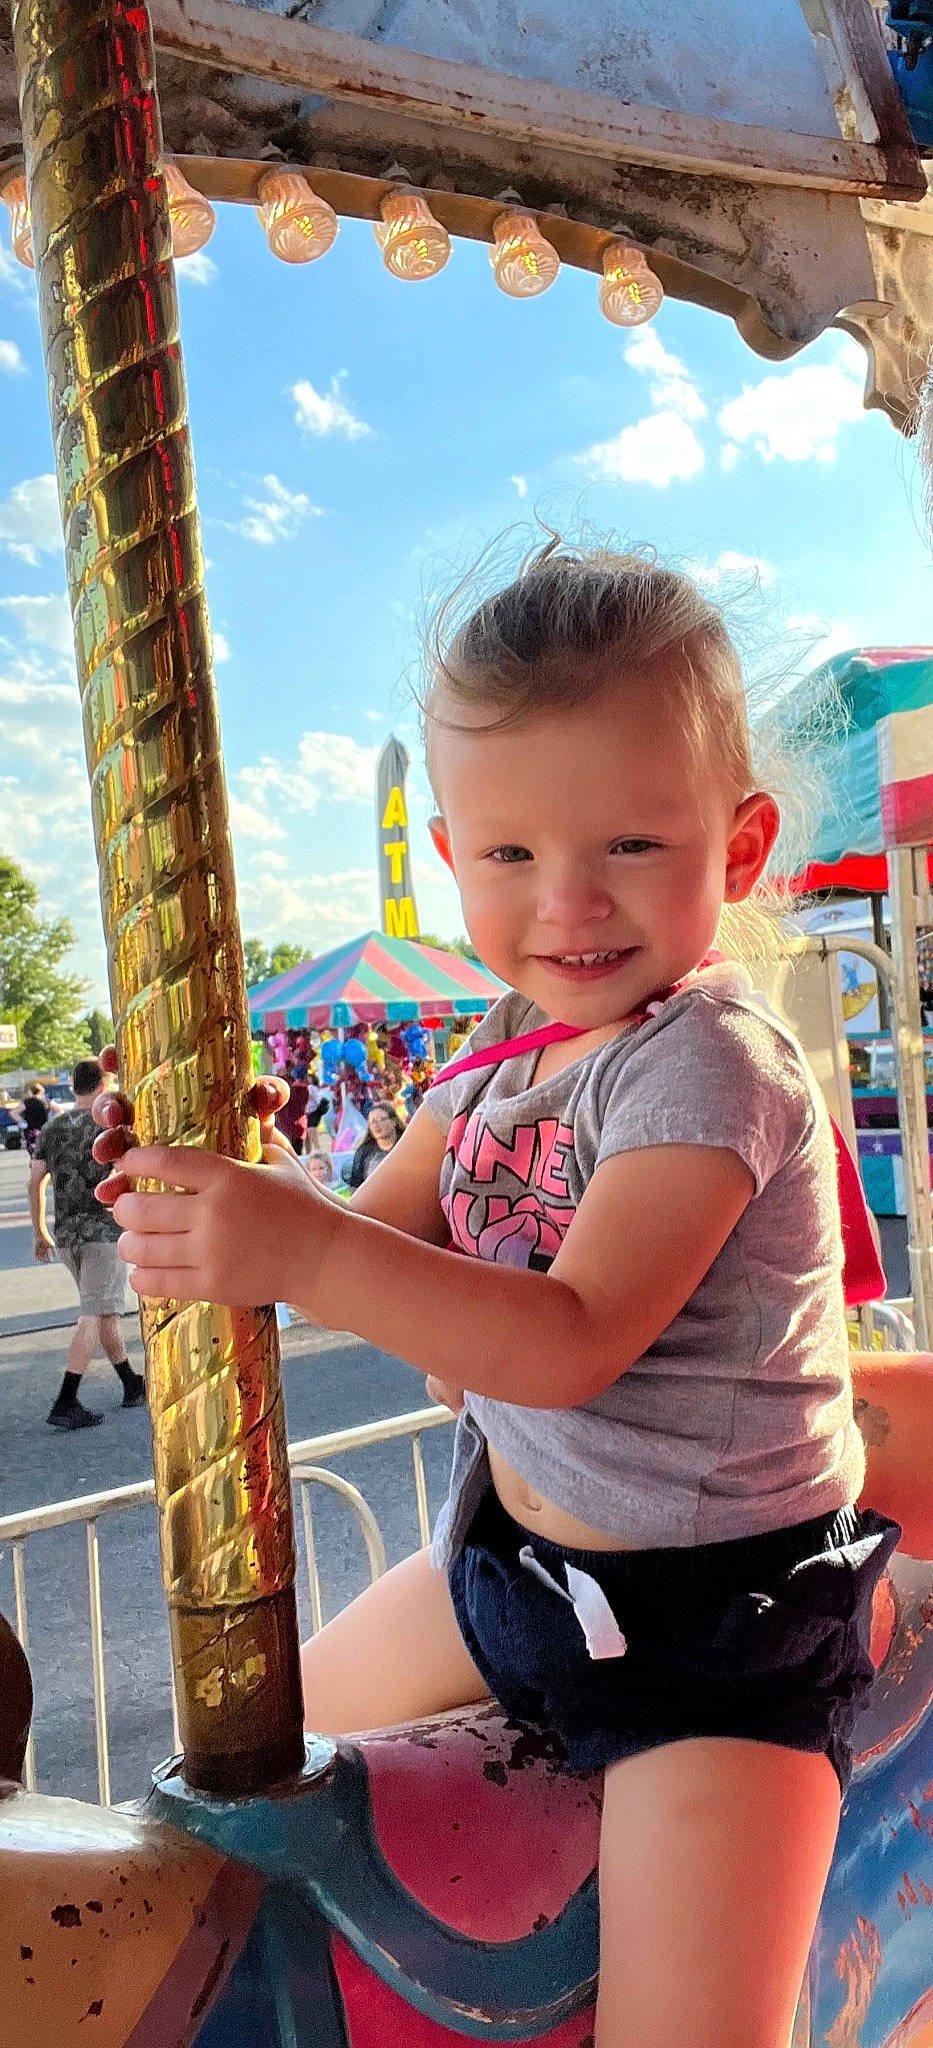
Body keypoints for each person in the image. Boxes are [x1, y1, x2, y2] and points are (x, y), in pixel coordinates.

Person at [96, 542, 901, 2048]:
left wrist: (306, 1250)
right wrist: (249, 1196)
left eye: (631, 844)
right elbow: (373, 1233)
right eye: (510, 853)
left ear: (736, 848)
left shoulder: (706, 1064)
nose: (567, 903)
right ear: (452, 853)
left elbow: (573, 1339)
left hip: (710, 1639)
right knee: (229, 1798)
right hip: (513, 1574)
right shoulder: (500, 1046)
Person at [30, 1056, 145, 1429]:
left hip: (67, 1235)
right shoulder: (107, 1127)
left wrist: (39, 1230)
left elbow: (35, 1180)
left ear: (74, 1086)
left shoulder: (53, 1127)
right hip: (103, 1232)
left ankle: (130, 1382)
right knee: (94, 1313)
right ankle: (66, 1400)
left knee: (103, 1309)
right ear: (103, 1085)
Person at [346, 1104, 405, 1188]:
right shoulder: (363, 1152)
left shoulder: (406, 1144)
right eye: (372, 1122)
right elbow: (355, 1186)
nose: (376, 1125)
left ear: (394, 1121)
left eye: (381, 1119)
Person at [274, 1060, 310, 1155]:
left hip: (291, 1126)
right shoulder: (300, 1088)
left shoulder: (295, 1088)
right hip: (292, 1126)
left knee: (293, 1151)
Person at [21, 1080, 49, 1158]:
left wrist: (22, 1121)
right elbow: (59, 1110)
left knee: (34, 1155)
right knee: (44, 1155)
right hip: (43, 1129)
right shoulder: (44, 1100)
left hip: (31, 1130)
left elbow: (13, 1113)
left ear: (30, 1091)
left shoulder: (27, 1102)